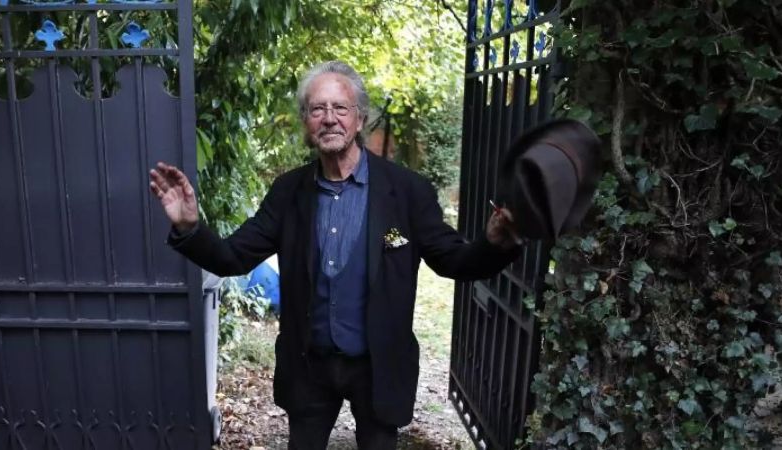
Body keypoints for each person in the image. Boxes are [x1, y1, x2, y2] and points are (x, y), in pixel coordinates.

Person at [149, 61, 523, 449]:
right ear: (306, 123)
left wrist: (494, 243)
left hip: (378, 367)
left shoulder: (407, 191)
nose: (329, 119)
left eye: (340, 108)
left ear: (359, 118)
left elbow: (452, 260)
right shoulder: (287, 192)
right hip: (309, 367)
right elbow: (233, 258)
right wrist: (189, 227)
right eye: (317, 109)